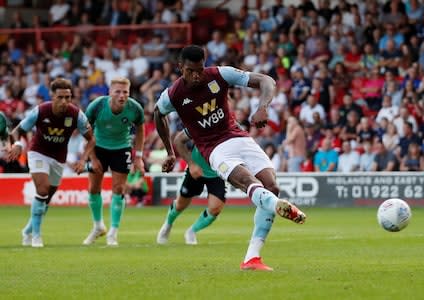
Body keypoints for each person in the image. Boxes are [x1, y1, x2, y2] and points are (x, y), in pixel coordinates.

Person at [154, 45, 306, 271]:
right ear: (180, 68)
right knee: (248, 182)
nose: (196, 75)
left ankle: (252, 258)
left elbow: (266, 80)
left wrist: (263, 107)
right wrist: (169, 151)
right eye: (190, 71)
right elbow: (158, 113)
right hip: (214, 149)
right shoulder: (173, 95)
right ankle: (279, 207)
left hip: (238, 137)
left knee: (272, 186)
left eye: (199, 69)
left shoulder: (220, 74)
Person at [7, 78, 96, 247]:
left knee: (47, 198)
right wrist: (18, 144)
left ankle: (27, 230)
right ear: (52, 96)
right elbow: (18, 130)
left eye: (68, 97)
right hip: (38, 152)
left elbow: (91, 140)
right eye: (60, 97)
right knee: (42, 189)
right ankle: (36, 236)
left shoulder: (76, 114)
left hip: (58, 158)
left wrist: (83, 159)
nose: (64, 101)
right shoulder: (40, 111)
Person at [83, 77, 145, 246]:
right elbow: (85, 131)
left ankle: (113, 232)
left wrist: (138, 157)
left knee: (119, 189)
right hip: (98, 147)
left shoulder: (135, 108)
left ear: (129, 93)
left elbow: (140, 129)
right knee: (93, 188)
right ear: (110, 92)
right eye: (117, 91)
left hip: (121, 148)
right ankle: (98, 226)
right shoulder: (97, 106)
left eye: (125, 92)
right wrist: (92, 157)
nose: (121, 95)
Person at [157, 129, 226, 245]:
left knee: (216, 208)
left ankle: (191, 231)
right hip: (196, 168)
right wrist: (191, 164)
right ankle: (168, 224)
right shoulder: (201, 123)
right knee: (180, 205)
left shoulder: (231, 128)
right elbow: (178, 141)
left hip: (216, 173)